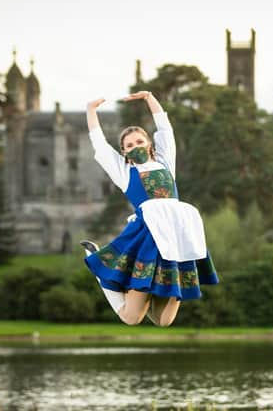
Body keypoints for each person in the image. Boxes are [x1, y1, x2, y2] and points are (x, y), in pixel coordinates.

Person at [82, 91, 218, 327]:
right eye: (129, 145)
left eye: (139, 142)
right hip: (148, 237)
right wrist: (91, 111)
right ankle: (102, 272)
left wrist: (149, 98)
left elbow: (166, 130)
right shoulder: (125, 173)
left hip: (176, 236)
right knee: (132, 318)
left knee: (164, 321)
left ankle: (157, 289)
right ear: (124, 152)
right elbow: (100, 146)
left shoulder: (165, 162)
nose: (135, 147)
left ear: (149, 143)